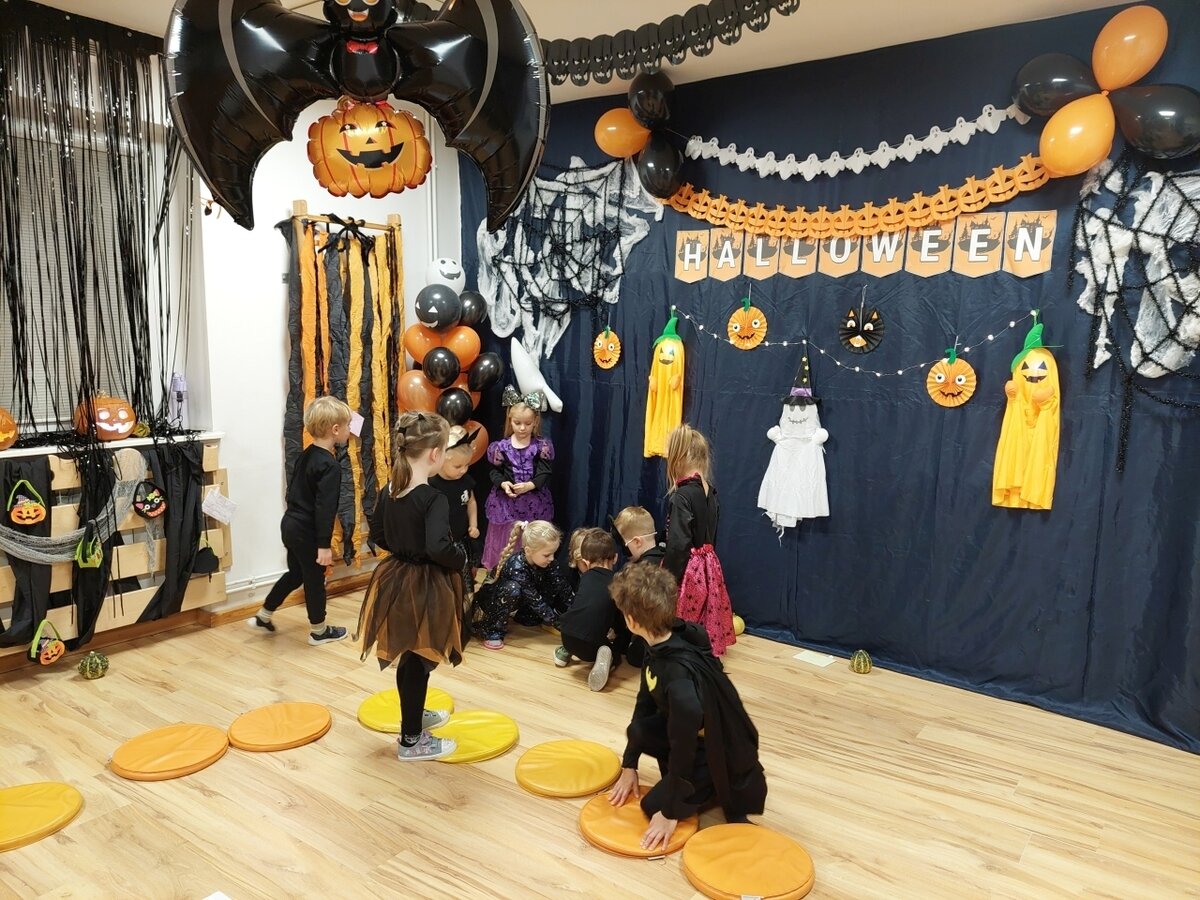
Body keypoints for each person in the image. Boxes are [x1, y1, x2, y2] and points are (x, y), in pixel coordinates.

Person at [607, 564, 766, 851]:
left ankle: (714, 786)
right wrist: (629, 764)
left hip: (713, 751)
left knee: (651, 806)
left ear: (631, 621)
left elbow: (684, 745)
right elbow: (645, 701)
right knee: (638, 730)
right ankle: (696, 787)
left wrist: (670, 811)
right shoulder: (659, 641)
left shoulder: (679, 682)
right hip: (686, 731)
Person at [355, 412, 466, 761]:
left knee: (411, 655)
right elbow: (438, 547)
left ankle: (413, 717)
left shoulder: (390, 490)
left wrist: (404, 550)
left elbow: (378, 534)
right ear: (435, 454)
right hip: (427, 583)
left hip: (397, 578)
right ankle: (411, 740)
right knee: (420, 659)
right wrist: (460, 558)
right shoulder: (433, 498)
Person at [250, 395, 352, 644]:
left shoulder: (306, 455)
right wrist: (323, 545)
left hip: (290, 524)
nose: (350, 429)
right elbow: (325, 508)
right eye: (348, 425)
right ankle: (319, 631)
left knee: (296, 573)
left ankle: (264, 615)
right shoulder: (330, 466)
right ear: (335, 429)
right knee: (315, 578)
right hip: (307, 530)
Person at [663, 425, 735, 657]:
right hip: (709, 566)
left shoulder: (682, 496)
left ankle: (681, 658)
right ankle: (702, 654)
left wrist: (667, 579)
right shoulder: (710, 492)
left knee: (682, 616)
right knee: (703, 614)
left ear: (678, 458)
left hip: (688, 569)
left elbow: (678, 544)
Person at [480, 390, 554, 570]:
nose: (522, 428)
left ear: (535, 421)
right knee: (507, 539)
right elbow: (494, 472)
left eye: (527, 424)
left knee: (531, 539)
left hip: (534, 504)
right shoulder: (501, 447)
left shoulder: (541, 446)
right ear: (509, 420)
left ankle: (530, 570)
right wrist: (503, 484)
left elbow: (545, 471)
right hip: (506, 504)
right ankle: (502, 570)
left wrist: (531, 485)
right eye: (517, 423)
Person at [476, 520, 572, 650]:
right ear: (528, 551)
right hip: (493, 601)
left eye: (553, 553)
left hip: (522, 599)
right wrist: (561, 625)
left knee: (552, 579)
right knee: (513, 588)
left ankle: (524, 615)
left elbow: (562, 586)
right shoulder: (516, 566)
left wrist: (576, 610)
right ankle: (493, 631)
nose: (551, 558)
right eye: (547, 555)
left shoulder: (548, 562)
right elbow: (535, 599)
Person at [554, 528, 627, 691]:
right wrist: (616, 632)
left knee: (580, 621)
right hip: (591, 646)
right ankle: (607, 660)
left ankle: (565, 652)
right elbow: (619, 616)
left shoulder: (585, 578)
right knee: (614, 649)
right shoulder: (618, 582)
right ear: (615, 558)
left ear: (586, 562)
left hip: (566, 635)